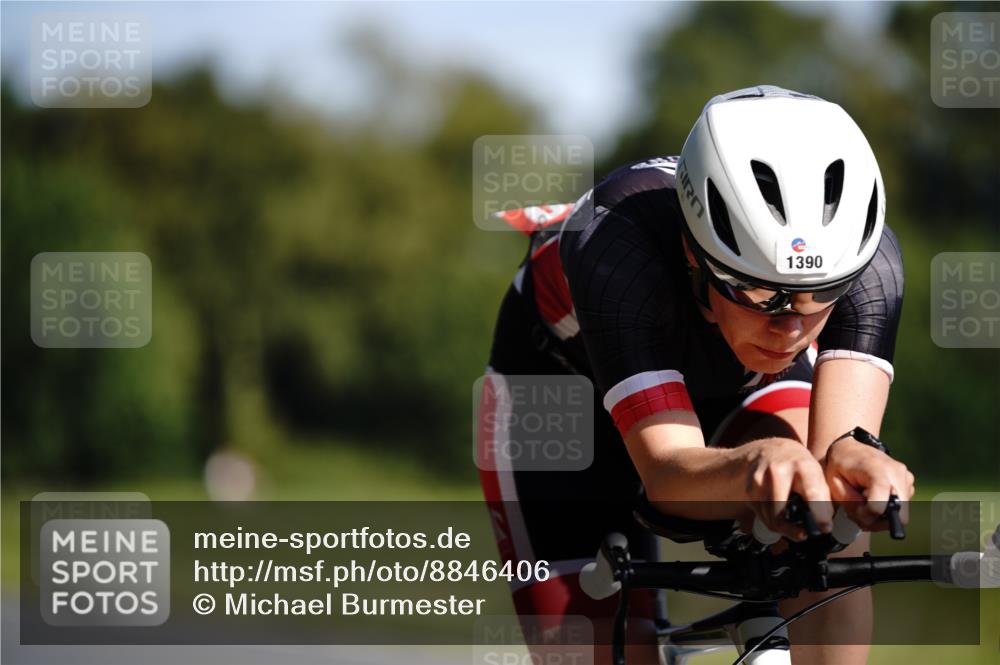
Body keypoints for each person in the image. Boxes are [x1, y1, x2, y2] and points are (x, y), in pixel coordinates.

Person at [476, 85, 915, 664]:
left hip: (733, 385)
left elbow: (842, 448)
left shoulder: (868, 259)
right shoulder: (615, 240)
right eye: (760, 293)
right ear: (693, 254)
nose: (792, 328)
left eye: (824, 295)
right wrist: (758, 464)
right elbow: (668, 470)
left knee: (820, 504)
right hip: (561, 392)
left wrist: (859, 461)